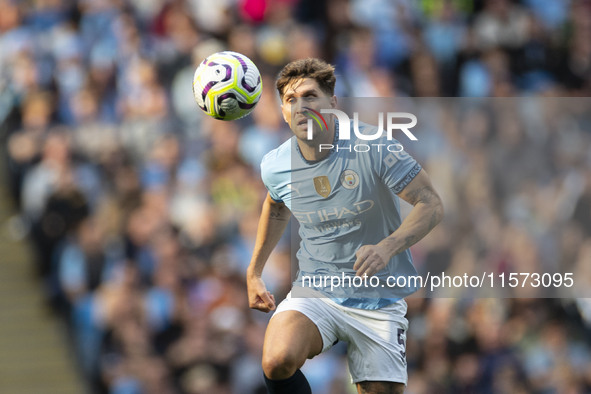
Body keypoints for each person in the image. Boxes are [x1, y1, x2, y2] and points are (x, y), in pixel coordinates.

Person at [246, 58, 444, 394]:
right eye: (292, 100)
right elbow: (275, 206)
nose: (301, 106)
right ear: (282, 112)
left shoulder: (373, 147)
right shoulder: (276, 165)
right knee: (276, 360)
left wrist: (387, 247)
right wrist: (254, 272)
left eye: (310, 96)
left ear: (332, 103)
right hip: (317, 288)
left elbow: (432, 204)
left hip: (378, 298)